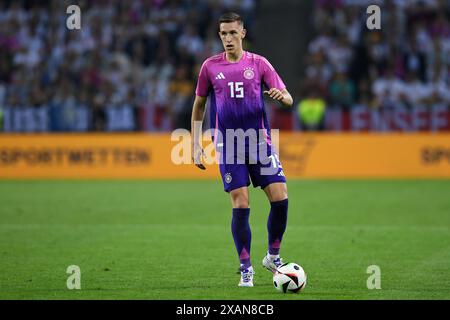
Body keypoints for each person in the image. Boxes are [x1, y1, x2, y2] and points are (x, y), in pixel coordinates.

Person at [190, 12, 293, 287]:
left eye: (233, 33)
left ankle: (273, 255)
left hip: (259, 142)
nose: (228, 39)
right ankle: (246, 267)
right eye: (223, 33)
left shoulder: (259, 64)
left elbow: (288, 98)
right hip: (228, 144)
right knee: (240, 201)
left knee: (281, 198)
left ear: (243, 33)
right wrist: (195, 143)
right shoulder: (210, 67)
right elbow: (199, 106)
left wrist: (281, 97)